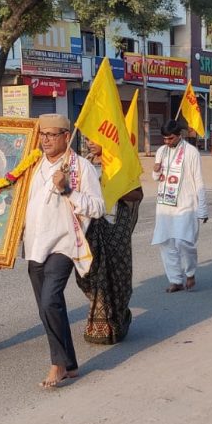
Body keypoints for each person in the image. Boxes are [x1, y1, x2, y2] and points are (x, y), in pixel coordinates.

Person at [24, 114, 105, 387]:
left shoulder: (81, 167)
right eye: (42, 134)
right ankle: (69, 363)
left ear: (66, 136)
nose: (45, 139)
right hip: (35, 244)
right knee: (48, 307)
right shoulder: (32, 165)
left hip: (64, 244)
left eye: (51, 134)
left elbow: (97, 207)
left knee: (50, 301)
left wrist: (68, 190)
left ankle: (57, 364)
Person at [75, 139, 143, 344]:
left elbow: (137, 194)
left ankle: (115, 319)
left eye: (96, 138)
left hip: (115, 224)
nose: (90, 143)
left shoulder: (119, 164)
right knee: (86, 275)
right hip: (89, 226)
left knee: (117, 274)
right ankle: (106, 310)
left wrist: (115, 189)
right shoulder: (82, 164)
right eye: (87, 139)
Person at [152, 119, 208, 293]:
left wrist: (202, 208)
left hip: (185, 202)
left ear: (179, 135)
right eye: (165, 139)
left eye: (170, 138)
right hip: (165, 205)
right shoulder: (161, 151)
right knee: (166, 242)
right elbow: (156, 178)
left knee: (185, 241)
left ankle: (190, 272)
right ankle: (175, 279)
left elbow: (198, 179)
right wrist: (155, 170)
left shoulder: (191, 152)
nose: (167, 142)